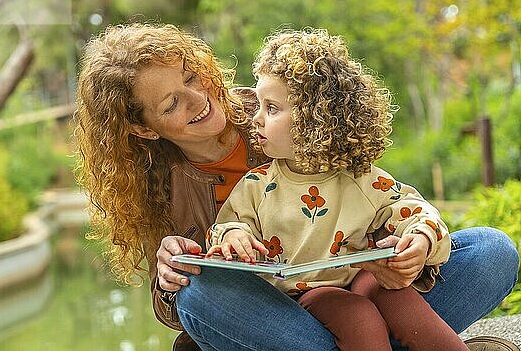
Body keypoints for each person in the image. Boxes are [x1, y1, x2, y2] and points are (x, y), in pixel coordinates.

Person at [74, 22, 520, 351]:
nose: (198, 98)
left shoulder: (284, 107)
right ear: (143, 128)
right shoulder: (161, 187)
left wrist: (407, 248)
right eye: (172, 102)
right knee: (197, 293)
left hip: (360, 284)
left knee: (491, 250)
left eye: (191, 78)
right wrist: (172, 274)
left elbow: (374, 197)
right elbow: (184, 307)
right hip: (280, 311)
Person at [205, 28, 470, 350]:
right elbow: (227, 226)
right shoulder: (256, 186)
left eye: (271, 108)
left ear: (315, 119)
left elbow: (418, 213)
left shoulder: (362, 179)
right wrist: (234, 237)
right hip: (305, 295)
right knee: (356, 315)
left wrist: (420, 241)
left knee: (401, 299)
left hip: (364, 278)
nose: (256, 119)